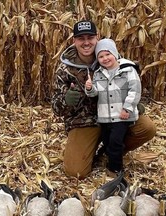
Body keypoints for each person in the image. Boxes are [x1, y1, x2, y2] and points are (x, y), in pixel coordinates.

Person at [51, 20, 156, 179]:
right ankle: (92, 151)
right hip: (85, 122)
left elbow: (133, 84)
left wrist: (134, 103)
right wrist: (66, 101)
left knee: (147, 128)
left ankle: (108, 153)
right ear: (74, 40)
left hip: (115, 116)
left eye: (90, 37)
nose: (86, 42)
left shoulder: (111, 58)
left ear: (97, 38)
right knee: (76, 172)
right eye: (81, 38)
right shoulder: (65, 69)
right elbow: (56, 109)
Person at [85, 38, 141, 175]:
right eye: (101, 56)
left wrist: (127, 108)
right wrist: (90, 88)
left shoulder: (128, 70)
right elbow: (95, 94)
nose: (105, 59)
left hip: (121, 115)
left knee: (116, 142)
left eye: (108, 54)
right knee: (107, 141)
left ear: (115, 54)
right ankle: (106, 159)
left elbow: (135, 90)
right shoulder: (98, 73)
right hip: (105, 116)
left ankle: (115, 169)